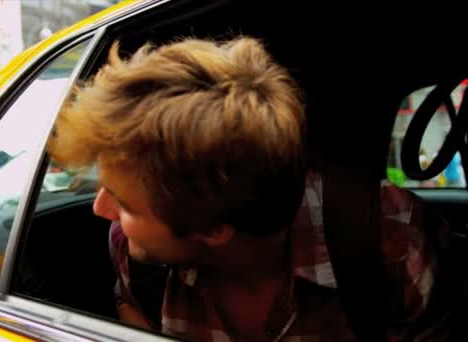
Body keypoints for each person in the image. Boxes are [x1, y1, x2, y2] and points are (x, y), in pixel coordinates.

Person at [47, 37, 449, 341]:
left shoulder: (389, 238)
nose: (100, 210)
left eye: (125, 203)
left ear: (214, 227)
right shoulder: (132, 252)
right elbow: (131, 307)